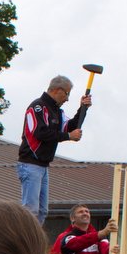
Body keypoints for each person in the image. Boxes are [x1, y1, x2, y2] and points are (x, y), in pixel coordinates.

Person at [18, 76, 90, 226]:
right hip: (30, 164)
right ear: (58, 90)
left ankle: (35, 243)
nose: (67, 98)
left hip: (43, 166)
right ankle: (26, 243)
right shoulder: (37, 107)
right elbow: (40, 133)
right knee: (30, 210)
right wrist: (68, 136)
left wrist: (83, 108)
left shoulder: (57, 111)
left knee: (42, 211)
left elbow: (70, 125)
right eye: (67, 94)